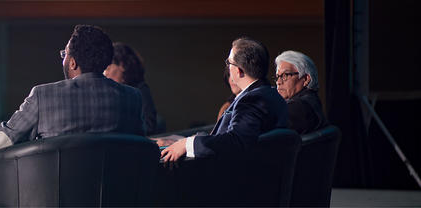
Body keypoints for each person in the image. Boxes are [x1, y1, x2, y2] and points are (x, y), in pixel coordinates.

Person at [0, 25, 145, 159]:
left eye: (64, 55)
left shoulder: (43, 96)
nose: (63, 60)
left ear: (72, 63)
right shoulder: (133, 98)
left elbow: (3, 140)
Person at [160, 37, 288, 164]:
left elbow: (235, 141)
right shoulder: (271, 94)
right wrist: (188, 140)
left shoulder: (252, 100)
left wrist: (187, 144)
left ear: (239, 71)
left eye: (229, 63)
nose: (228, 67)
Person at [104, 42, 161, 135]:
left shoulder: (140, 90)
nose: (105, 73)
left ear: (122, 65)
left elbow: (149, 126)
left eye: (108, 68)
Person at [274, 50, 327, 134]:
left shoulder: (299, 107)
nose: (278, 82)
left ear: (305, 79)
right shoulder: (311, 100)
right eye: (277, 77)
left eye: (285, 75)